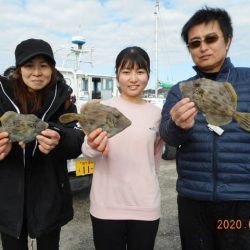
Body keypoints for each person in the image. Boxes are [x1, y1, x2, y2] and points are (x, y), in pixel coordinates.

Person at [160, 6, 250, 250]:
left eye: (211, 39)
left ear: (228, 41)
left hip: (241, 200)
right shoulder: (180, 89)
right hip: (193, 199)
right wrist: (179, 126)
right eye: (195, 43)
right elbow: (166, 133)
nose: (203, 47)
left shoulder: (248, 79)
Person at [0, 38, 84, 250]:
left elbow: (77, 138)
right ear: (19, 69)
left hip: (50, 196)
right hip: (8, 198)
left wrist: (59, 138)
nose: (36, 72)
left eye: (43, 66)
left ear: (52, 69)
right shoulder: (2, 96)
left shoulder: (64, 97)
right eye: (29, 65)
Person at [81, 46, 164, 250]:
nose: (133, 78)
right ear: (117, 75)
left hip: (145, 205)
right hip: (106, 205)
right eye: (126, 72)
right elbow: (88, 153)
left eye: (140, 71)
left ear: (148, 75)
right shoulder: (102, 108)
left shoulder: (157, 114)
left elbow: (155, 160)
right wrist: (92, 146)